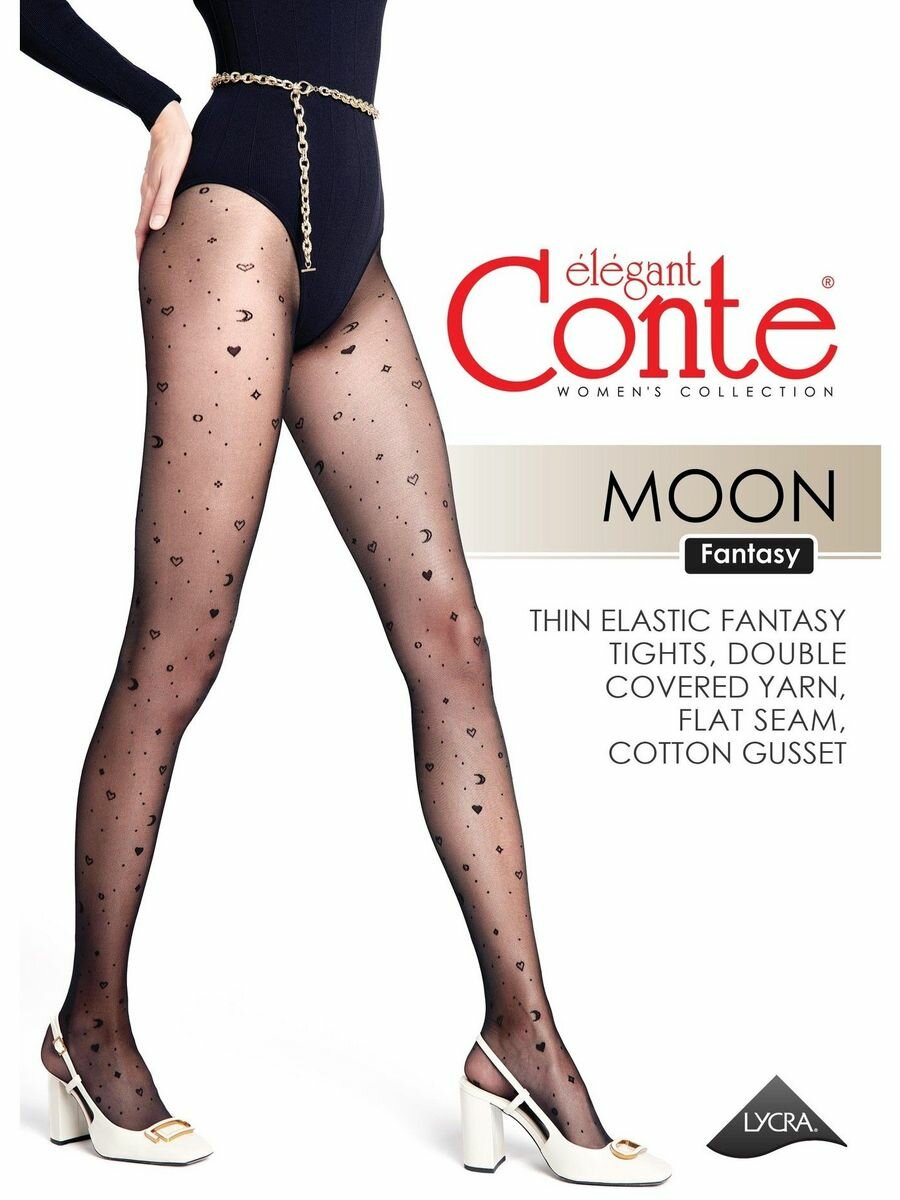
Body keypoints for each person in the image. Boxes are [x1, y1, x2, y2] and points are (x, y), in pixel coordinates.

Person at [19, 0, 670, 1183]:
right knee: (177, 648)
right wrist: (153, 104)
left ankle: (520, 1040)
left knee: (451, 640)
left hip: (352, 239)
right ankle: (89, 1027)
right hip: (230, 216)